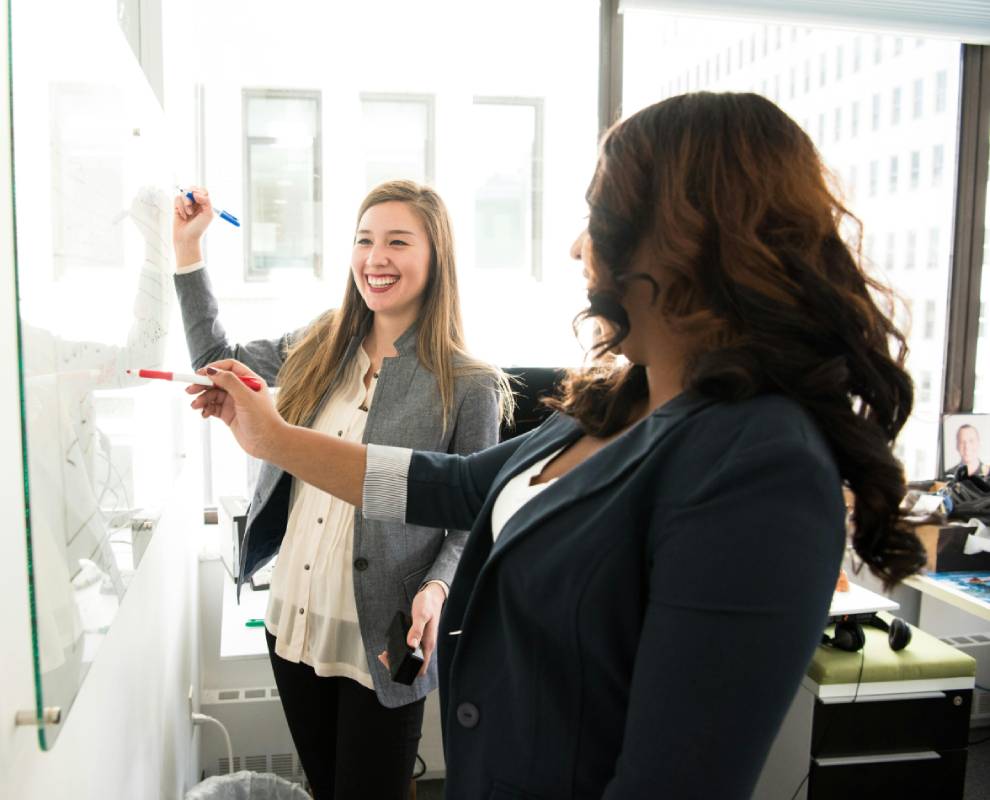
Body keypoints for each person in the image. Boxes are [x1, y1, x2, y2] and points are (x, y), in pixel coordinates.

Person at [186, 93, 927, 798]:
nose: (577, 246)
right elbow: (452, 485)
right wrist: (275, 440)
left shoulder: (760, 465)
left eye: (597, 216)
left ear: (685, 238)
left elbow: (670, 784)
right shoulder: (615, 401)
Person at [172, 180, 509, 799]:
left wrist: (437, 589)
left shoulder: (469, 384)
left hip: (384, 634)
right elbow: (217, 359)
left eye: (397, 242)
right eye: (364, 240)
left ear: (436, 257)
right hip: (294, 621)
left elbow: (474, 516)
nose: (375, 258)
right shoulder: (320, 343)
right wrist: (188, 251)